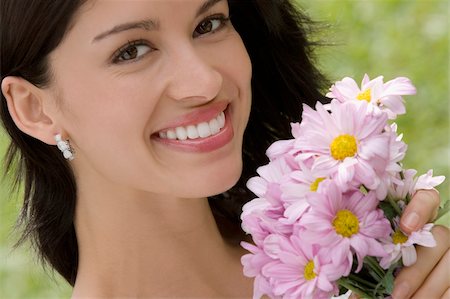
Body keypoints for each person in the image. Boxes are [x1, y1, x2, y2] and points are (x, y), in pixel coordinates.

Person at [0, 0, 448, 298]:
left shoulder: (344, 250)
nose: (207, 81)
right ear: (35, 109)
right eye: (132, 50)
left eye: (208, 24)